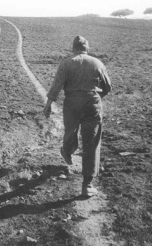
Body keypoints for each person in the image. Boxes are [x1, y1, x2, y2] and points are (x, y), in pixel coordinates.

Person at [43, 36, 112, 197]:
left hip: (72, 104)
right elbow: (107, 87)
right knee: (92, 141)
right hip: (92, 103)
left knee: (70, 131)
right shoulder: (97, 63)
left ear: (73, 48)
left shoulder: (66, 63)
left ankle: (67, 151)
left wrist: (48, 105)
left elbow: (57, 85)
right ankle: (87, 184)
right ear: (87, 48)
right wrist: (95, 98)